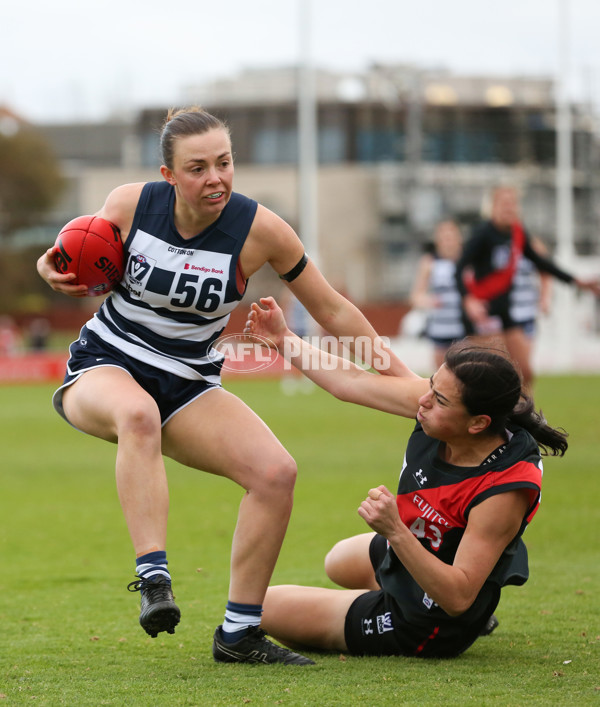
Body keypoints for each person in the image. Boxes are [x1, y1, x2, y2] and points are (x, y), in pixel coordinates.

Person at [36, 106, 415, 665]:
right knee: (137, 415)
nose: (215, 178)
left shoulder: (261, 231)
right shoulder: (129, 204)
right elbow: (69, 252)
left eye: (225, 163)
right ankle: (154, 578)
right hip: (105, 363)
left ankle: (239, 635)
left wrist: (405, 382)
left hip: (188, 381)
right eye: (197, 168)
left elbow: (333, 309)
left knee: (275, 473)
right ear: (168, 176)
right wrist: (49, 269)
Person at [243, 296, 569, 659]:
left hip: (432, 617)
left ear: (478, 424)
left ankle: (398, 610)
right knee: (337, 561)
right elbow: (351, 382)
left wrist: (395, 529)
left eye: (439, 399)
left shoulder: (503, 489)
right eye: (430, 385)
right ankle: (392, 590)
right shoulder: (444, 410)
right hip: (423, 549)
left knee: (263, 606)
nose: (423, 400)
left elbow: (459, 597)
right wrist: (284, 338)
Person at [455, 185, 600, 390]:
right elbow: (459, 268)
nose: (510, 208)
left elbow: (542, 263)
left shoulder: (517, 233)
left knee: (525, 373)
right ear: (493, 206)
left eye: (513, 203)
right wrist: (468, 299)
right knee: (492, 379)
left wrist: (577, 281)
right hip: (483, 314)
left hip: (505, 313)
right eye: (504, 203)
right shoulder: (482, 233)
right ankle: (491, 421)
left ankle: (523, 421)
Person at [409, 220, 465, 368]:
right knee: (442, 375)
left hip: (465, 328)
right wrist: (428, 301)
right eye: (444, 238)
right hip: (440, 328)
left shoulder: (467, 261)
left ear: (459, 239)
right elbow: (416, 296)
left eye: (451, 237)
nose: (448, 242)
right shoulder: (429, 262)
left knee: (466, 375)